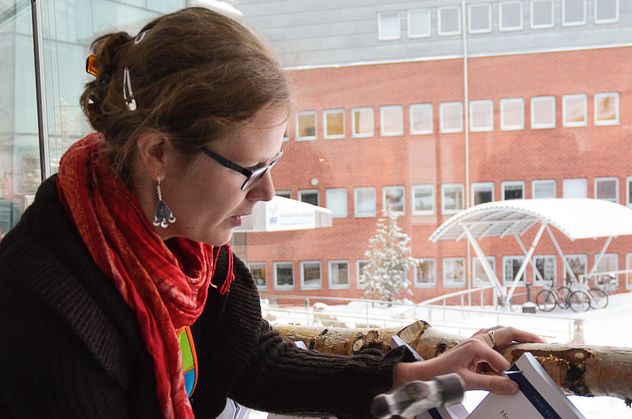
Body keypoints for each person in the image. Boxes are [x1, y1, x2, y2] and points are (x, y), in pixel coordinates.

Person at [0, 7, 542, 419]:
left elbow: (250, 360)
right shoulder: (42, 304)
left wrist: (417, 375)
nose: (268, 191)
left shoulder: (187, 248)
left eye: (274, 161)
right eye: (249, 168)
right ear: (158, 153)